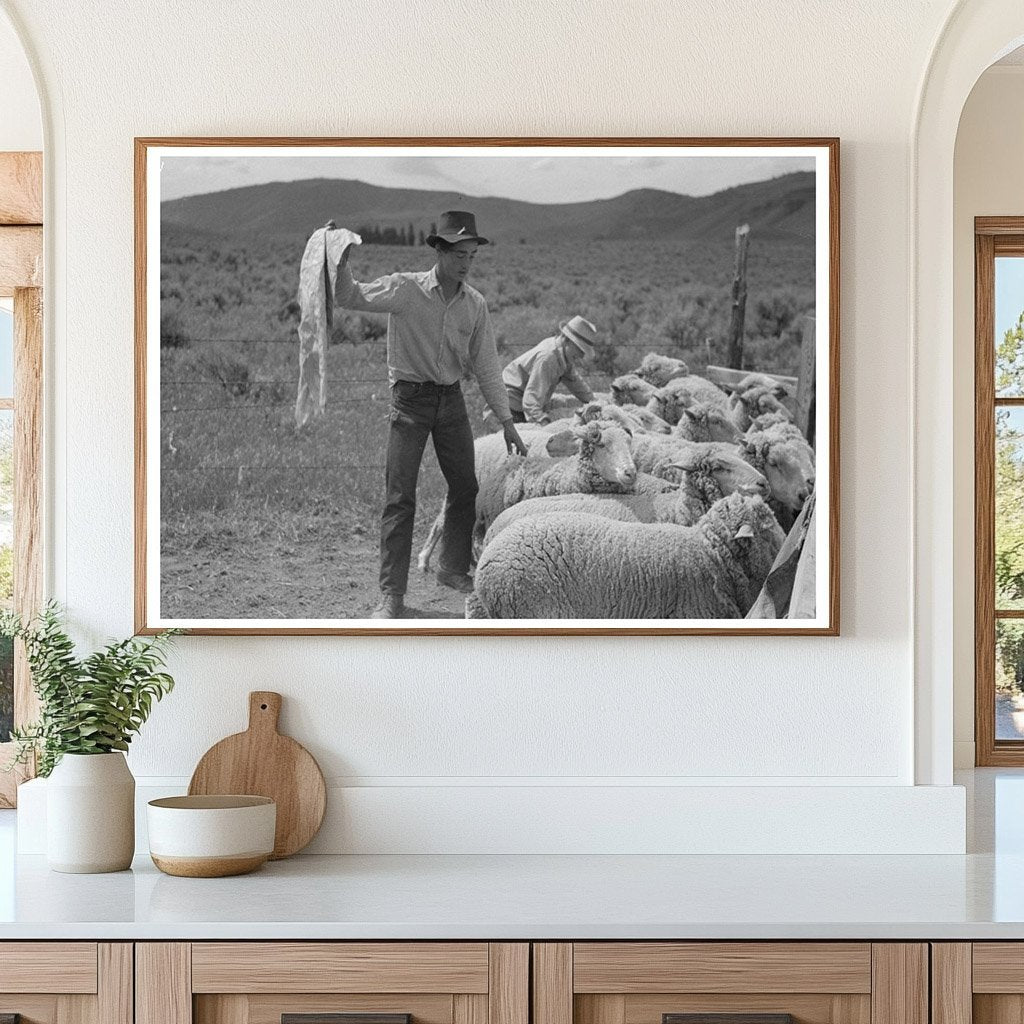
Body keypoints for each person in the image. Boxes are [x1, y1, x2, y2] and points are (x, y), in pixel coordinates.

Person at [334, 210, 528, 620]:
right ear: (439, 250)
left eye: (471, 255)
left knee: (465, 487)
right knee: (399, 497)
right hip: (410, 401)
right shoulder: (405, 290)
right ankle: (392, 595)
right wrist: (341, 258)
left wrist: (507, 422)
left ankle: (452, 568)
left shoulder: (475, 305)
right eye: (458, 253)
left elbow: (488, 365)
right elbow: (349, 297)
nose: (465, 262)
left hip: (451, 401)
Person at [502, 315, 598, 424]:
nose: (581, 355)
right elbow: (531, 400)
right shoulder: (548, 358)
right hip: (509, 408)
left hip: (519, 405)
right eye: (580, 349)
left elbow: (576, 383)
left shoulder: (564, 356)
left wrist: (596, 404)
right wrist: (543, 422)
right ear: (567, 340)